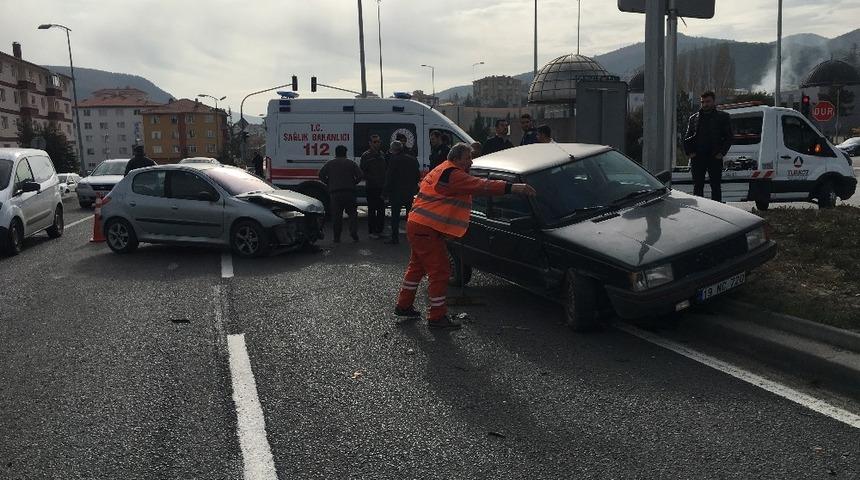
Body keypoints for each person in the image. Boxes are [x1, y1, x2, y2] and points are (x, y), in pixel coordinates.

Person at [394, 142, 537, 329]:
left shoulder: (442, 169)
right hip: (426, 228)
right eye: (468, 158)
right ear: (457, 159)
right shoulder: (453, 174)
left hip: (420, 225)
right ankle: (436, 317)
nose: (471, 161)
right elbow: (480, 186)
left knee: (417, 268)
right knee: (441, 271)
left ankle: (404, 306)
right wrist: (513, 188)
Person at [683, 91, 732, 202]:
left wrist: (721, 153)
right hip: (698, 158)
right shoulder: (694, 118)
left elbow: (729, 137)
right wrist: (689, 153)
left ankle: (717, 211)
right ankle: (701, 212)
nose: (705, 104)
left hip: (714, 157)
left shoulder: (723, 117)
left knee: (715, 187)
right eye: (702, 102)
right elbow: (687, 137)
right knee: (698, 187)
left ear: (713, 102)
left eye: (708, 101)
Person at [319, 145, 363, 243]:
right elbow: (360, 175)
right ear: (345, 153)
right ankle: (353, 232)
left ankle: (337, 237)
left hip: (335, 193)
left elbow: (321, 175)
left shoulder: (330, 164)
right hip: (349, 192)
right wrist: (354, 183)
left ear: (336, 152)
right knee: (352, 214)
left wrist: (329, 183)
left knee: (336, 216)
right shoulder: (351, 163)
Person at [383, 140, 420, 245]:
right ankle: (412, 237)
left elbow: (389, 177)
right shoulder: (412, 159)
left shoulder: (394, 160)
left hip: (396, 193)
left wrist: (385, 192)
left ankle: (395, 238)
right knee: (410, 216)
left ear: (393, 150)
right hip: (409, 192)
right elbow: (417, 176)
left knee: (395, 217)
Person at [360, 134, 388, 239]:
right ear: (370, 143)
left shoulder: (382, 154)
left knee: (381, 210)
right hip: (371, 187)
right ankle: (371, 232)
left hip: (381, 187)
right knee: (372, 210)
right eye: (375, 142)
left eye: (378, 141)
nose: (377, 144)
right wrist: (372, 178)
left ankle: (380, 231)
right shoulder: (366, 155)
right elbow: (362, 171)